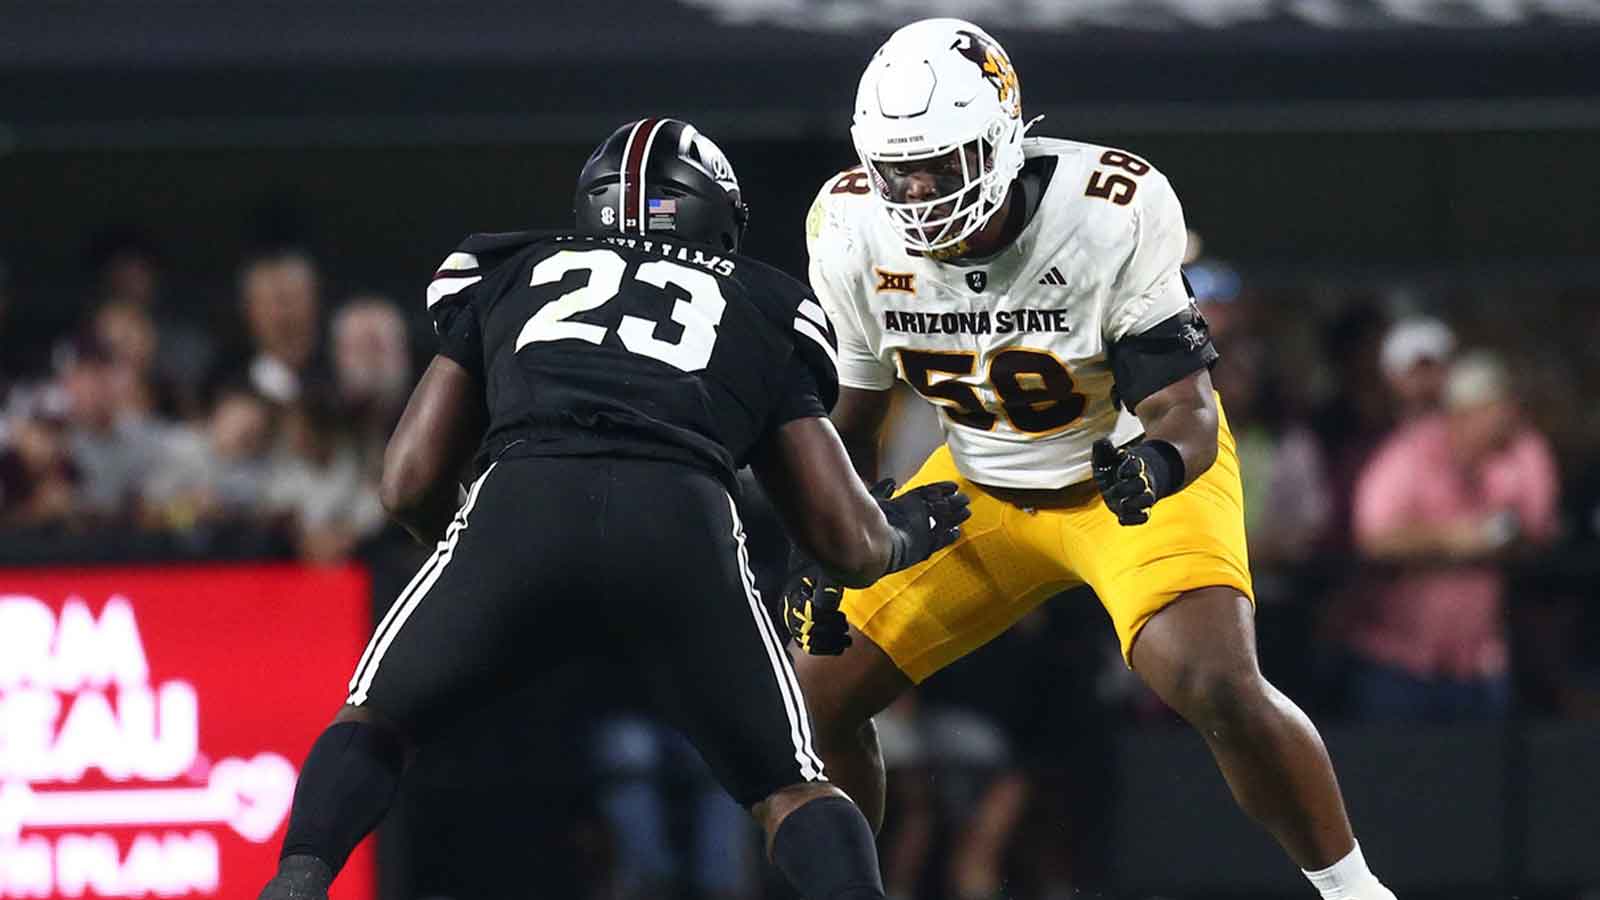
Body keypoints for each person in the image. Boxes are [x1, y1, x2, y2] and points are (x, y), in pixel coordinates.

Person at [257, 117, 971, 900]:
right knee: (790, 786)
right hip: (681, 517)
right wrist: (902, 536)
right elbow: (845, 536)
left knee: (373, 720)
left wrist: (465, 557)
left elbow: (405, 481)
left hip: (524, 499)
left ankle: (295, 884)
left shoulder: (510, 267)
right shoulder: (764, 300)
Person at [788, 18, 1397, 900]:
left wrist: (1153, 466)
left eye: (940, 165)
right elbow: (849, 418)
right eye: (897, 170)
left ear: (1001, 138)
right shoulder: (850, 227)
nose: (916, 192)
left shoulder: (1111, 207)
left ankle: (1353, 890)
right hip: (980, 487)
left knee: (1212, 680)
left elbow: (1183, 408)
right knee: (810, 703)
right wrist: (824, 543)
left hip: (1125, 478)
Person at [1345, 351, 1559, 720]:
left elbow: (1538, 529)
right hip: (1401, 665)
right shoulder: (1410, 454)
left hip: (1480, 665)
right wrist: (1454, 540)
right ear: (1462, 412)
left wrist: (1524, 445)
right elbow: (1374, 537)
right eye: (1493, 409)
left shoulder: (1514, 454)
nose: (1504, 420)